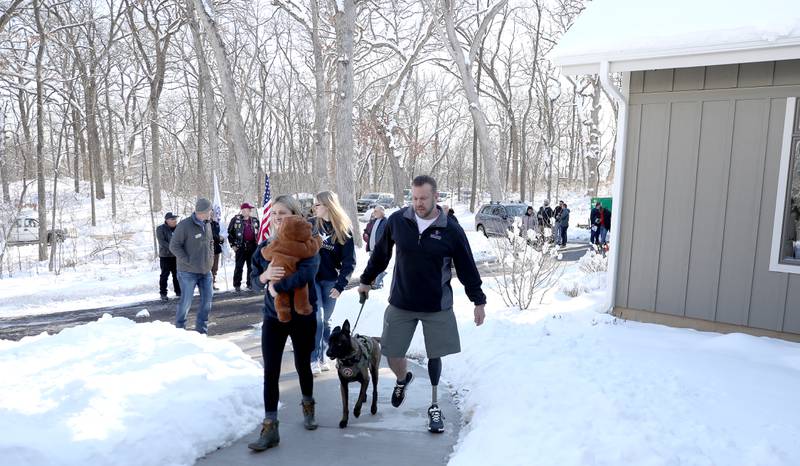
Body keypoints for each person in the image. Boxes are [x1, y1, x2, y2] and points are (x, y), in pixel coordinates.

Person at [358, 175, 486, 434]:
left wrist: (478, 301)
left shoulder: (450, 228)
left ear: (435, 197)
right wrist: (366, 280)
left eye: (423, 198)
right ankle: (403, 378)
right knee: (391, 353)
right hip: (401, 301)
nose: (418, 203)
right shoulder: (398, 221)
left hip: (436, 305)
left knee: (435, 354)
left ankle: (434, 406)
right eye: (414, 198)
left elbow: (467, 267)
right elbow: (381, 255)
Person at [247, 195, 321, 452]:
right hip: (273, 317)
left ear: (295, 215)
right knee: (271, 371)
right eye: (275, 213)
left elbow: (307, 274)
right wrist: (265, 277)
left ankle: (308, 405)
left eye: (283, 213)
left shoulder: (308, 244)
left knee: (302, 364)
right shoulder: (265, 247)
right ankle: (270, 427)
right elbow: (253, 281)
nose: (278, 217)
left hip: (303, 314)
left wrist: (277, 287)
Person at [310, 191, 356, 374]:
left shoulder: (343, 229)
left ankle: (327, 354)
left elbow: (349, 262)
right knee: (318, 319)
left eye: (317, 205)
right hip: (312, 280)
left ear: (328, 205)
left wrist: (340, 285)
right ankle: (314, 358)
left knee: (325, 321)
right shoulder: (311, 225)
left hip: (330, 282)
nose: (314, 208)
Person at [170, 198, 214, 334]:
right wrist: (187, 260)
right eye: (207, 212)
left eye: (209, 212)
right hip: (188, 272)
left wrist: (211, 259)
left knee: (207, 302)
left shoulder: (207, 224)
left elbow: (210, 242)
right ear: (199, 212)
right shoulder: (184, 225)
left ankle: (202, 332)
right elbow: (174, 246)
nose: (208, 214)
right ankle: (180, 330)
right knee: (186, 302)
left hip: (206, 271)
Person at [228, 202, 260, 292]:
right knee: (239, 266)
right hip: (240, 246)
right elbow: (229, 233)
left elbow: (259, 233)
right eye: (246, 210)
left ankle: (250, 284)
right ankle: (237, 285)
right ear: (242, 210)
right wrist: (233, 245)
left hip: (252, 246)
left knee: (251, 266)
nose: (248, 211)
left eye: (249, 210)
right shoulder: (235, 220)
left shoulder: (254, 220)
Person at [156, 212, 181, 301]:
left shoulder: (179, 228)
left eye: (175, 219)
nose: (175, 221)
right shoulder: (160, 229)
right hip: (165, 256)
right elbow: (162, 242)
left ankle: (178, 291)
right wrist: (174, 248)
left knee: (177, 274)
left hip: (176, 256)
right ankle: (163, 293)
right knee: (164, 275)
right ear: (167, 220)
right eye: (172, 219)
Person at [363, 205, 388, 289]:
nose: (374, 213)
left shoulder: (386, 222)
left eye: (376, 211)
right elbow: (366, 230)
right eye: (374, 211)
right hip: (372, 248)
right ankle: (376, 281)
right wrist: (365, 234)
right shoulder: (373, 221)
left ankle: (378, 284)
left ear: (382, 212)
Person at [210, 212, 224, 291]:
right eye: (210, 213)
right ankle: (206, 285)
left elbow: (218, 233)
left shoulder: (216, 224)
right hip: (208, 250)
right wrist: (219, 238)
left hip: (216, 249)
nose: (211, 215)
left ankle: (212, 283)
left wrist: (222, 239)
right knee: (208, 268)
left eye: (212, 213)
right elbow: (211, 235)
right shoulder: (204, 224)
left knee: (215, 268)